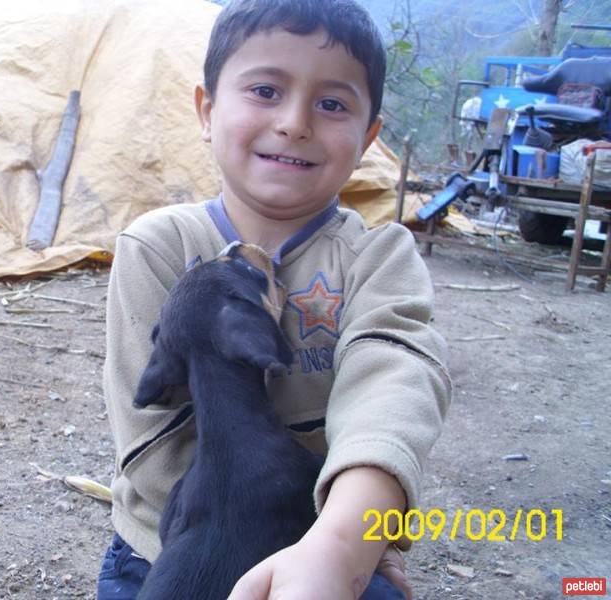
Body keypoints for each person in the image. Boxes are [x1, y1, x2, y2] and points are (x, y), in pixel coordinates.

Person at [97, 0, 451, 598]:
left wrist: (348, 543)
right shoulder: (158, 245)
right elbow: (151, 433)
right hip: (170, 549)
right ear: (207, 110)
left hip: (318, 540)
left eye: (332, 104)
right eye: (265, 90)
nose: (295, 122)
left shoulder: (379, 256)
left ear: (368, 138)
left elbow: (393, 381)